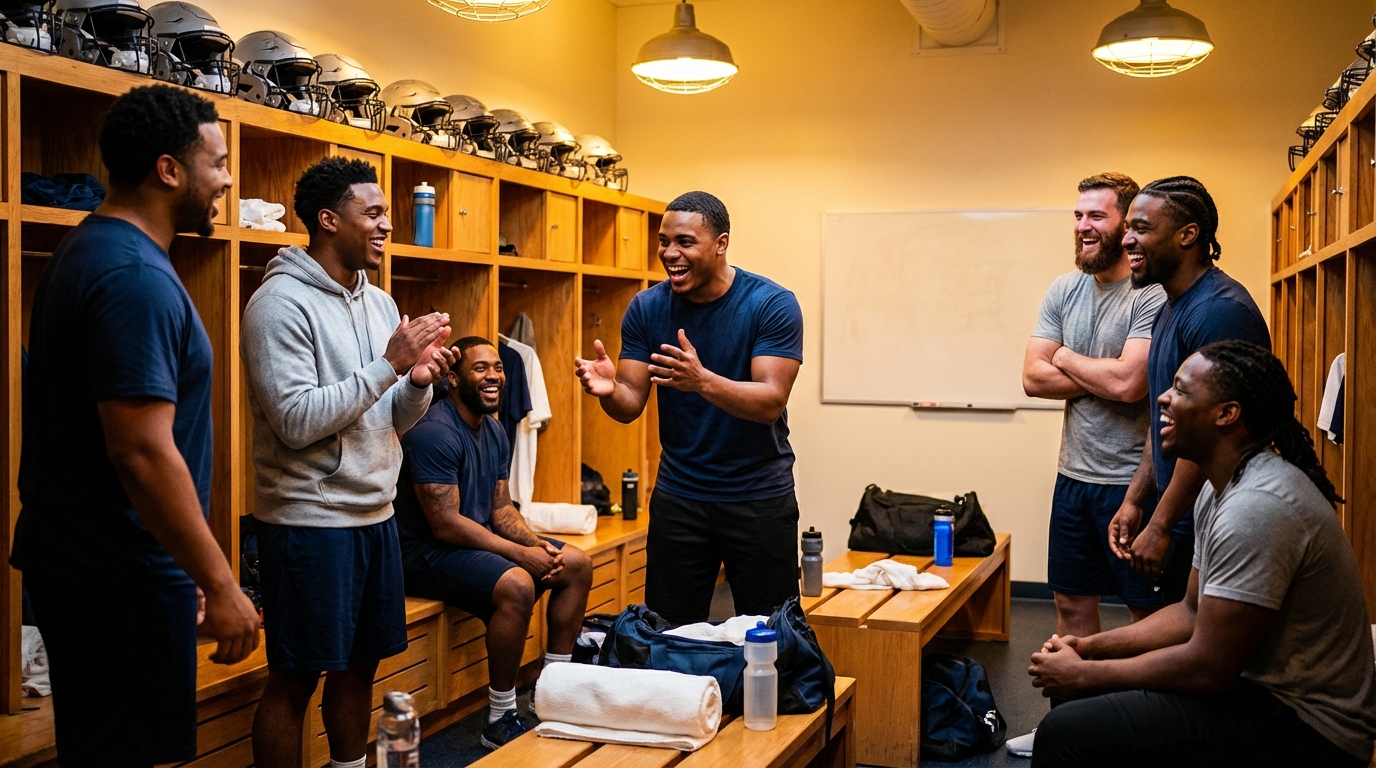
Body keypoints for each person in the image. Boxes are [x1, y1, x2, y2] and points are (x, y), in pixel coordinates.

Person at [11, 84, 259, 766]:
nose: (229, 180)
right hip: (116, 574)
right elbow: (144, 453)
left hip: (102, 568)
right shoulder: (131, 277)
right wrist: (219, 583)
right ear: (169, 170)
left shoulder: (99, 252)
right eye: (218, 161)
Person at [1028, 341, 1376, 767]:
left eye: (1181, 390)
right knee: (1078, 705)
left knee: (1069, 732)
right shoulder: (1222, 486)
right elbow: (1190, 612)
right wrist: (1090, 648)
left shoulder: (1257, 506)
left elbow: (1209, 668)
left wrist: (1085, 675)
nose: (1163, 398)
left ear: (1226, 414)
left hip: (1309, 728)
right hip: (1256, 691)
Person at [242, 157, 454, 768]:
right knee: (296, 676)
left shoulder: (382, 303)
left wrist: (415, 383)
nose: (388, 225)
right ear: (329, 220)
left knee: (361, 665)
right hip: (308, 522)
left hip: (374, 515)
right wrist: (389, 365)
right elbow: (297, 420)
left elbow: (390, 421)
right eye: (375, 213)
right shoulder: (277, 304)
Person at [574, 191, 804, 625]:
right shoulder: (647, 306)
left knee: (770, 633)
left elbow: (770, 402)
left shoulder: (770, 304)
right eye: (663, 242)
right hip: (681, 497)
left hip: (758, 498)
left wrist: (702, 381)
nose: (669, 253)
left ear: (721, 243)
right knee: (670, 634)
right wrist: (609, 390)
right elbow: (629, 405)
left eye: (684, 242)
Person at [1012, 173, 1166, 757]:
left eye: (1096, 217)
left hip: (1135, 484)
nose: (1083, 227)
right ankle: (1069, 731)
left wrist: (1068, 359)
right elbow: (1031, 377)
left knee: (1145, 617)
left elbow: (1131, 385)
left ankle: (1145, 735)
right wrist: (1100, 370)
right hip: (1073, 478)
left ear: (1126, 225)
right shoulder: (1064, 290)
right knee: (1072, 607)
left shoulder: (1150, 293)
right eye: (1078, 216)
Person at [395, 337, 593, 749]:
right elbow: (446, 524)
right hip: (420, 553)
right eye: (481, 368)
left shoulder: (496, 429)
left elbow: (501, 508)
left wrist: (538, 546)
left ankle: (552, 690)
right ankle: (500, 716)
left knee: (575, 563)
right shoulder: (433, 432)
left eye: (499, 367)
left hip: (469, 544)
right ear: (452, 379)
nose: (495, 377)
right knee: (518, 582)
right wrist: (520, 555)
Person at [1107, 177, 1270, 604]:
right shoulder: (1170, 305)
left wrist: (1161, 525)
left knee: (1191, 647)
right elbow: (1165, 418)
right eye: (1128, 228)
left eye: (1141, 228)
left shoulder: (1218, 312)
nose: (1127, 240)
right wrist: (1135, 499)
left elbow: (1212, 431)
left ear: (1187, 235)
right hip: (1180, 515)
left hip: (1212, 521)